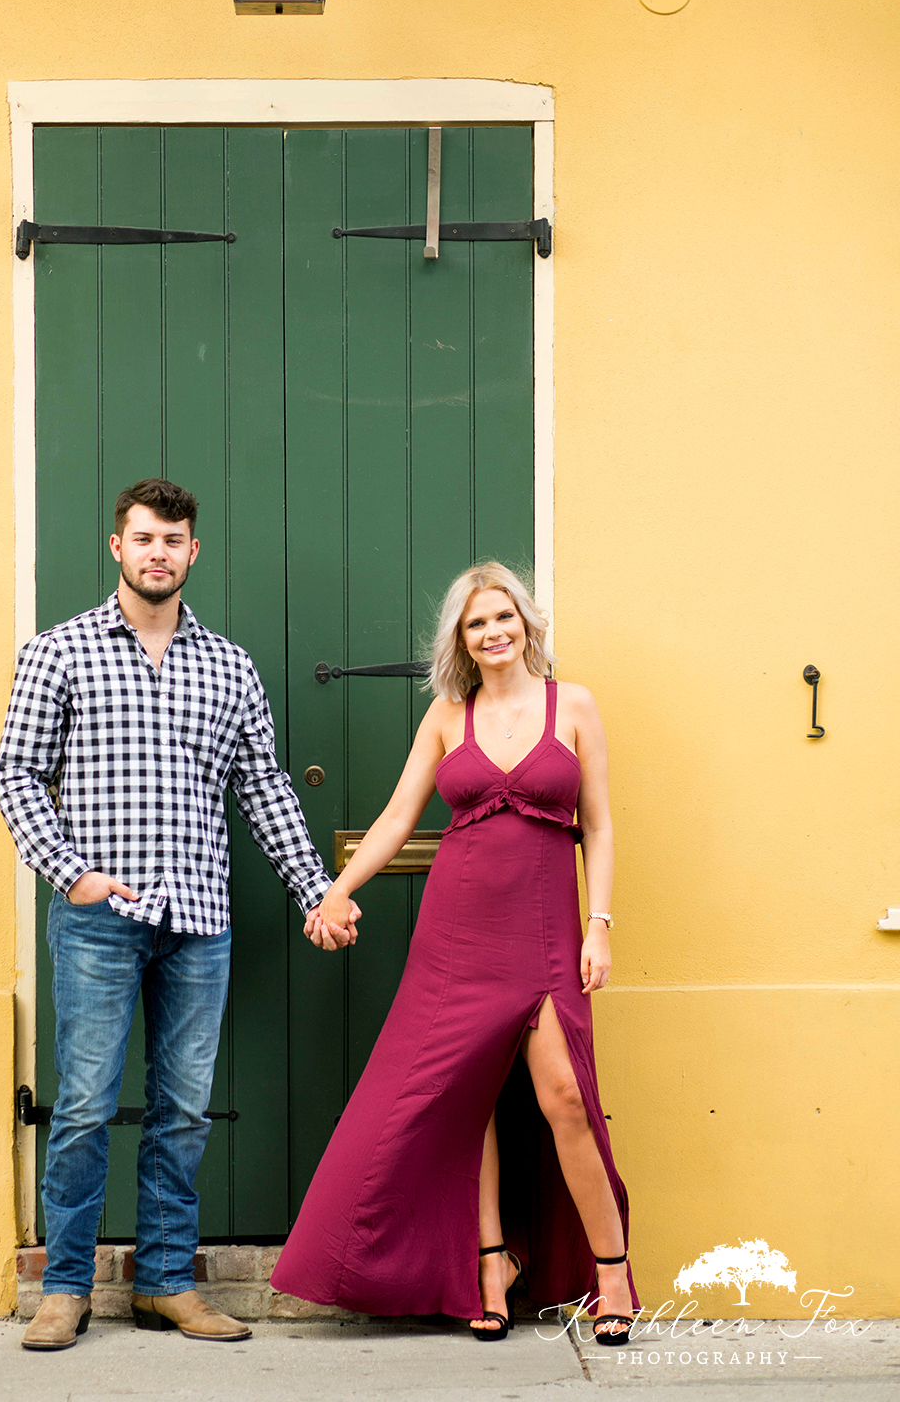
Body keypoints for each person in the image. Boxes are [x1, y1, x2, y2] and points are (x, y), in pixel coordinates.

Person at [0, 477, 358, 1353]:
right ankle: (67, 1288)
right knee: (83, 1107)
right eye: (144, 538)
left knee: (184, 1110)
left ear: (194, 553)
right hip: (97, 922)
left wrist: (317, 892)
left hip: (201, 919)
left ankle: (164, 1282)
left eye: (174, 540)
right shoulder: (60, 652)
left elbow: (263, 789)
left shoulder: (228, 666)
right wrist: (72, 873)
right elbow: (15, 774)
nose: (159, 552)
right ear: (116, 548)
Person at [269, 561, 640, 1344]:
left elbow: (599, 826)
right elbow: (399, 817)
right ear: (461, 642)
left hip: (545, 928)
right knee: (458, 1105)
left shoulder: (572, 706)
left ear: (527, 624)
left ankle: (612, 1274)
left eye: (504, 617)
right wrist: (336, 889)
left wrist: (598, 922)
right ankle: (489, 1265)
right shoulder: (447, 715)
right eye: (477, 624)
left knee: (565, 1100)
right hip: (458, 931)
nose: (494, 632)